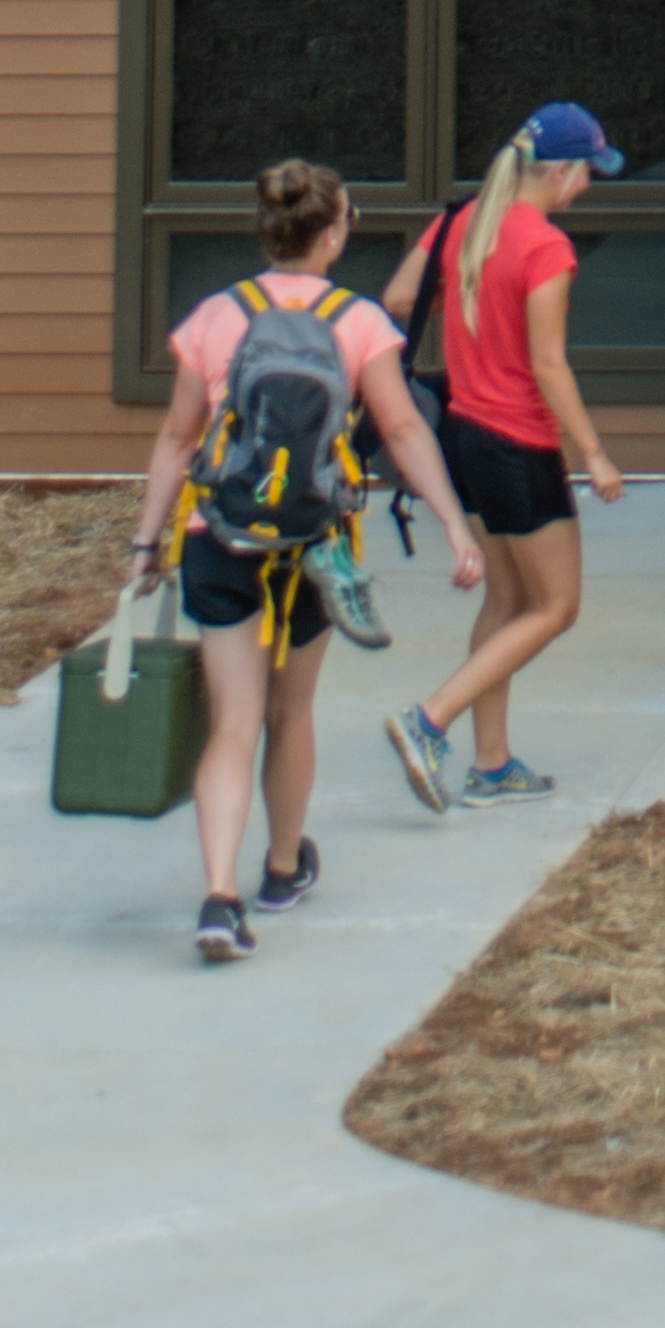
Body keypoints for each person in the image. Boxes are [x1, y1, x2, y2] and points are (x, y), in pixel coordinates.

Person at [125, 156, 480, 965]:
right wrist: (454, 523)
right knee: (293, 712)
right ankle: (282, 869)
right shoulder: (358, 322)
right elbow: (402, 430)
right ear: (332, 232)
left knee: (234, 722)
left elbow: (179, 439)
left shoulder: (216, 316)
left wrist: (147, 541)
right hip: (319, 545)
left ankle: (220, 898)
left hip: (221, 538)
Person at [382, 102, 624, 811]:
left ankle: (491, 766)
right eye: (585, 173)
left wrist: (468, 301)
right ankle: (429, 720)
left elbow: (400, 295)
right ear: (558, 169)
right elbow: (549, 366)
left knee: (508, 597)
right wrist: (596, 453)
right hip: (519, 445)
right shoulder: (545, 246)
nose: (585, 188)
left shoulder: (461, 221)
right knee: (557, 605)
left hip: (463, 436)